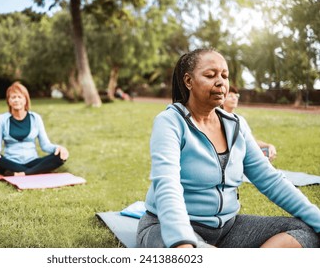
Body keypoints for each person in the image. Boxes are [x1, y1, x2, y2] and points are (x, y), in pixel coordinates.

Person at [136, 49, 320, 248]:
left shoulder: (236, 125)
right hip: (167, 228)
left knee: (306, 231)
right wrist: (182, 242)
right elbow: (167, 184)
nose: (220, 82)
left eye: (224, 76)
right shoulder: (170, 122)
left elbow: (271, 180)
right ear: (188, 81)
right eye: (210, 75)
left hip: (228, 229)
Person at [0, 81, 69, 176]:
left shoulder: (36, 118)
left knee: (60, 156)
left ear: (25, 100)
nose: (16, 100)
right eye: (13, 97)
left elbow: (45, 145)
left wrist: (58, 148)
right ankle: (33, 171)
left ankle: (21, 173)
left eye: (19, 97)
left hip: (32, 161)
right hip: (11, 162)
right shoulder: (1, 119)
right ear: (8, 101)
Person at [222, 86, 277, 161]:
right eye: (230, 96)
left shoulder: (241, 119)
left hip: (244, 156)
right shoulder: (218, 119)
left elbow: (252, 142)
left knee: (267, 151)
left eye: (236, 96)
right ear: (222, 99)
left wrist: (268, 146)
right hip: (231, 158)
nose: (234, 98)